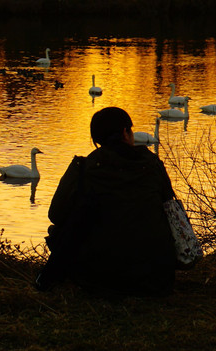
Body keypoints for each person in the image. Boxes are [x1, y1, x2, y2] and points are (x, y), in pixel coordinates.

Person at [36, 106, 178, 296]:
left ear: (97, 140)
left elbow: (55, 214)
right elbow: (170, 206)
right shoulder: (153, 165)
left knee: (70, 221)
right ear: (125, 133)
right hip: (156, 278)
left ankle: (45, 281)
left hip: (98, 278)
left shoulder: (84, 169)